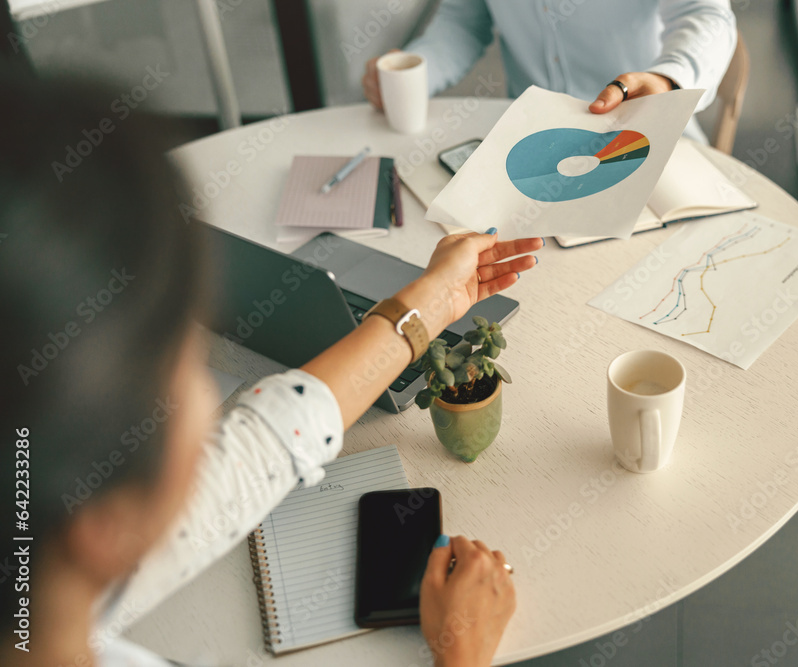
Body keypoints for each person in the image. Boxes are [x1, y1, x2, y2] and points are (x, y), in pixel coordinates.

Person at [0, 70, 541, 667]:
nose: (212, 396)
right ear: (106, 522)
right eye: (186, 367)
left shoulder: (37, 575)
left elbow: (262, 444)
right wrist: (461, 655)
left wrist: (433, 303)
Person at [363, 0, 737, 142]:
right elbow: (463, 22)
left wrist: (669, 78)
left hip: (647, 132)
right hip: (531, 144)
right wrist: (411, 76)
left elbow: (706, 14)